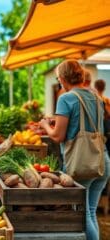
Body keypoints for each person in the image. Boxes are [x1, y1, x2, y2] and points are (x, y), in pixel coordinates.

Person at [39, 60, 110, 240]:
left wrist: (46, 125)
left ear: (63, 78)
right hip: (102, 161)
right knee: (91, 211)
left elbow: (57, 136)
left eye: (58, 78)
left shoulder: (66, 98)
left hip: (82, 164)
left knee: (83, 213)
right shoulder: (96, 97)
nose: (59, 81)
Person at [94, 79, 110, 154]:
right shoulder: (107, 100)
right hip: (107, 131)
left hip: (97, 130)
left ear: (95, 87)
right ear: (104, 88)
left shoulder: (93, 99)